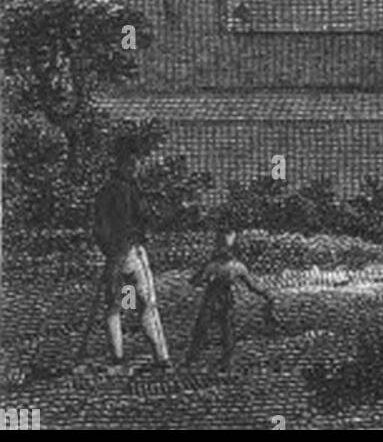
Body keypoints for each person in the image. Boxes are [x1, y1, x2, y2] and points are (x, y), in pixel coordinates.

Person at [93, 136, 170, 371]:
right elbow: (146, 219)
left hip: (113, 256)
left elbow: (99, 228)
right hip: (133, 253)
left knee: (115, 307)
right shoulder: (132, 190)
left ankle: (118, 357)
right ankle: (161, 358)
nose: (137, 167)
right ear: (126, 162)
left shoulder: (104, 191)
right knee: (146, 305)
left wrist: (110, 252)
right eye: (134, 162)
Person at [185, 227, 276, 370]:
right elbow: (196, 281)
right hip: (217, 299)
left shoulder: (229, 266)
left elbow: (251, 285)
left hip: (218, 299)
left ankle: (221, 359)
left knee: (222, 329)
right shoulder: (227, 266)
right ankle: (195, 357)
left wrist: (265, 293)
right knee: (208, 328)